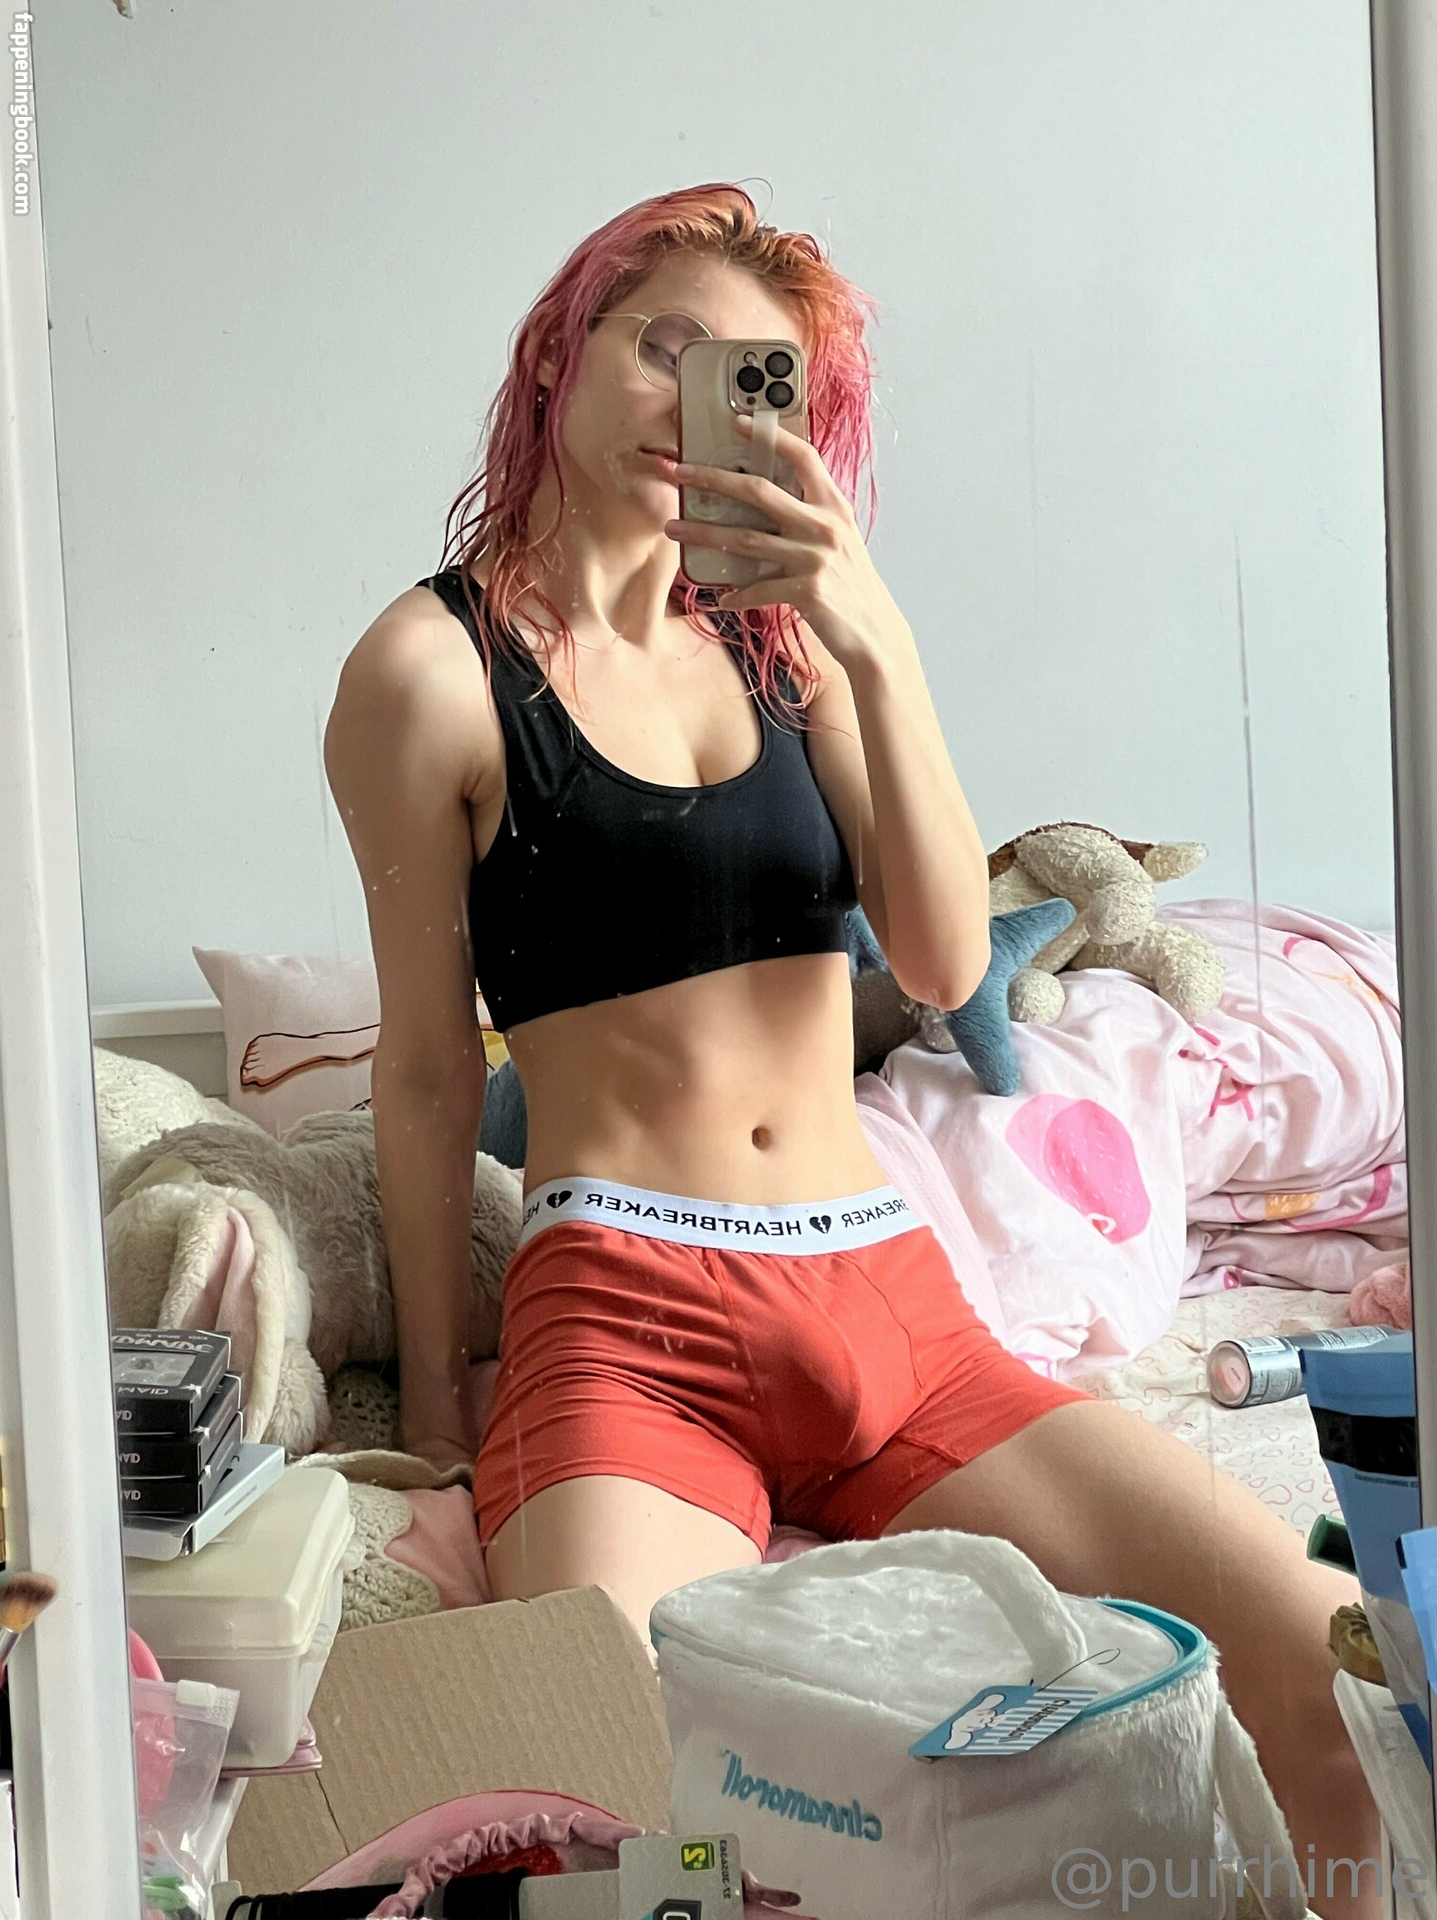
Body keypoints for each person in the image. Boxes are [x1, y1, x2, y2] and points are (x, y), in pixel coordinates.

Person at [325, 184, 1380, 1918]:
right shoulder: (430, 671)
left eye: (748, 380)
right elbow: (435, 1069)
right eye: (659, 345)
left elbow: (950, 960)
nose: (687, 402)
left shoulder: (792, 643)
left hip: (890, 1298)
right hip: (631, 1317)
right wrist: (444, 1402)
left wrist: (872, 633)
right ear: (559, 355)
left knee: (1329, 1664)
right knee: (628, 1810)